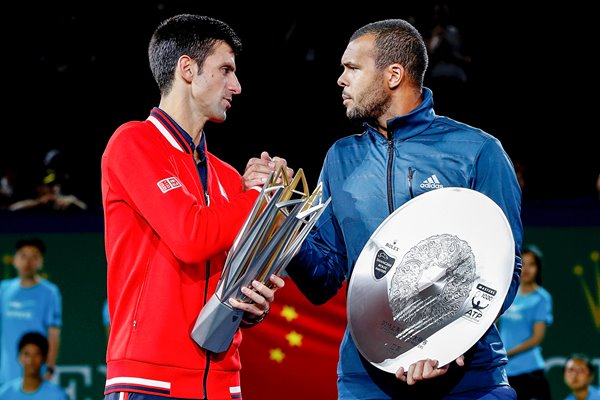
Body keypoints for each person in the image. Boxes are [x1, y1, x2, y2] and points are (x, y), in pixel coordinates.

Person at [285, 19, 523, 399]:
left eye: (352, 68)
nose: (340, 80)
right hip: (368, 381)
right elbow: (322, 280)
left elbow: (504, 267)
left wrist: (445, 344)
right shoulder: (340, 158)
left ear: (393, 74)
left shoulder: (478, 151)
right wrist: (284, 220)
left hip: (468, 379)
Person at [101, 14, 292, 400]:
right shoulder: (133, 143)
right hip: (150, 381)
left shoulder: (225, 175)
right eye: (225, 70)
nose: (236, 86)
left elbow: (231, 271)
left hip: (224, 381)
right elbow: (192, 236)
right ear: (187, 69)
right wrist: (261, 195)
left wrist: (253, 302)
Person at [0, 238, 62, 385]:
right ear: (14, 260)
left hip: (36, 371)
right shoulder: (3, 289)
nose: (28, 262)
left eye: (34, 256)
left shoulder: (50, 292)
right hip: (5, 372)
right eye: (23, 256)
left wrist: (50, 368)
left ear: (40, 262)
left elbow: (53, 333)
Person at [499, 245, 553, 399]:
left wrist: (507, 353)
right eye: (523, 263)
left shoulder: (542, 298)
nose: (527, 269)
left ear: (538, 268)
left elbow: (536, 338)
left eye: (532, 264)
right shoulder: (507, 294)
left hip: (530, 371)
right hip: (505, 372)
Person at [0, 332, 68, 399]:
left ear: (44, 359)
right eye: (26, 354)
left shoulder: (57, 396)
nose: (31, 360)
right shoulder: (4, 394)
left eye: (36, 354)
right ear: (19, 357)